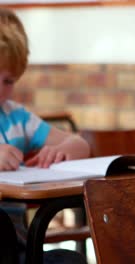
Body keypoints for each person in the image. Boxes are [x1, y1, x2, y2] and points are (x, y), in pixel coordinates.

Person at [0, 8, 90, 263]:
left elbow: (80, 144)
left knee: (70, 260)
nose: (0, 88)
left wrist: (64, 150)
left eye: (8, 80)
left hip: (17, 249)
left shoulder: (16, 118)